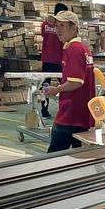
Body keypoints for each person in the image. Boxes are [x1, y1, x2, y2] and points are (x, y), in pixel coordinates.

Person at [40, 11, 95, 153]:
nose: (57, 30)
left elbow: (76, 82)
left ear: (74, 27)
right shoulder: (83, 48)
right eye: (56, 26)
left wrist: (56, 90)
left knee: (53, 158)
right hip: (81, 115)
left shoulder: (74, 49)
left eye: (62, 26)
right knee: (78, 156)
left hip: (70, 115)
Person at [39, 2, 69, 119]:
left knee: (45, 85)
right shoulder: (62, 26)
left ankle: (44, 110)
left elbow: (43, 35)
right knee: (65, 86)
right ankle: (65, 110)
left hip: (47, 59)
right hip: (59, 60)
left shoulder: (45, 24)